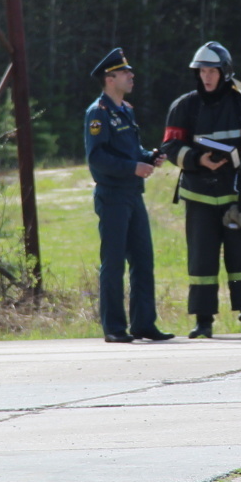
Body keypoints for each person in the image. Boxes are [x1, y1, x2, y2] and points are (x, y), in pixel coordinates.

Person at [163, 41, 241, 339]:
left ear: (224, 72)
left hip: (238, 198)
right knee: (201, 259)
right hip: (199, 197)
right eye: (201, 71)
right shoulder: (184, 106)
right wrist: (196, 158)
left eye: (212, 70)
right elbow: (170, 146)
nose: (206, 77)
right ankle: (203, 322)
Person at [84, 48, 169, 343]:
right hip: (113, 196)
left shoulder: (126, 110)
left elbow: (132, 150)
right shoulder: (98, 113)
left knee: (143, 260)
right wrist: (134, 167)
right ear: (110, 79)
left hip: (133, 195)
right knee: (114, 261)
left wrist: (149, 156)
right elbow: (97, 158)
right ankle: (114, 327)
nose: (131, 76)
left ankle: (144, 324)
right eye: (124, 72)